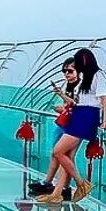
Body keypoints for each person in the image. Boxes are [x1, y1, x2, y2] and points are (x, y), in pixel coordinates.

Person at [38, 48, 106, 204]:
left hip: (87, 116)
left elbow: (104, 99)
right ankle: (56, 194)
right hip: (79, 114)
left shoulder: (98, 75)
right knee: (67, 156)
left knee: (58, 151)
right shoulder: (85, 77)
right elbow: (79, 101)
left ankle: (81, 184)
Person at [30, 58, 80, 199]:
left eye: (70, 71)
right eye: (64, 71)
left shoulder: (82, 87)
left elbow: (76, 105)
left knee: (63, 155)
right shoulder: (69, 86)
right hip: (64, 122)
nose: (67, 74)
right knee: (56, 154)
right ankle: (50, 183)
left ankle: (67, 186)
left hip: (73, 125)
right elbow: (69, 106)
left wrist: (60, 94)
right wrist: (62, 108)